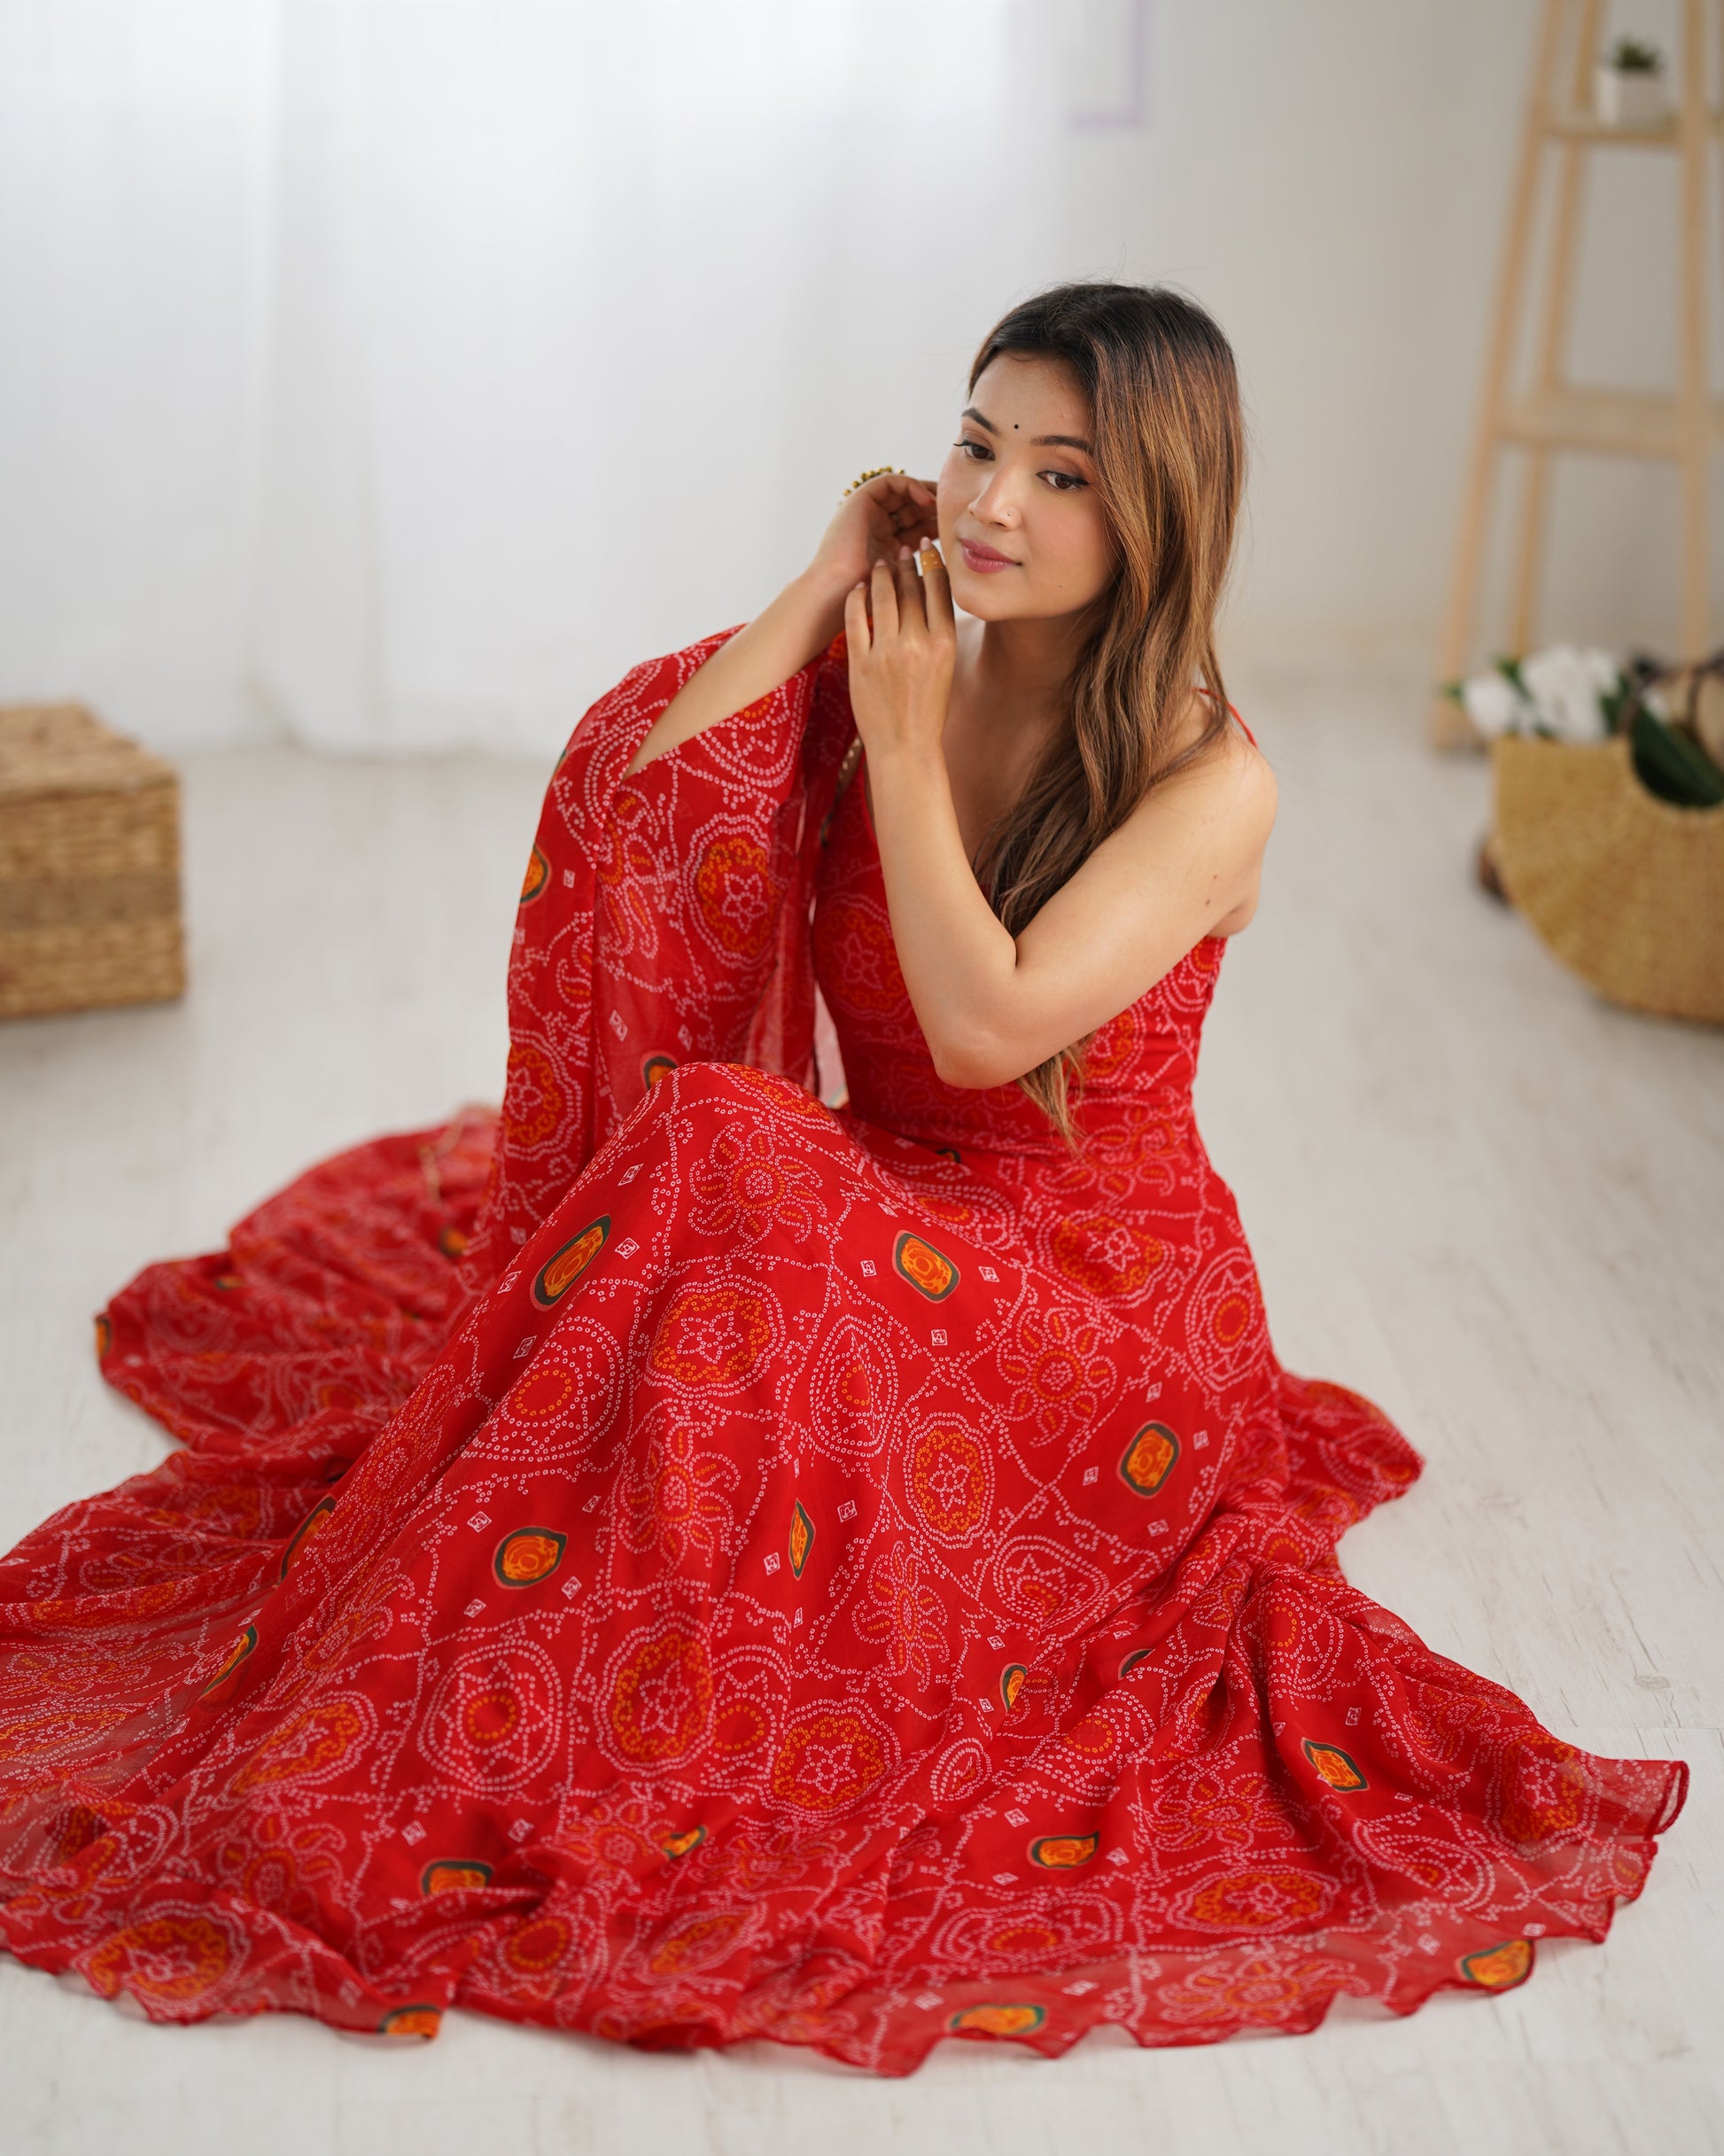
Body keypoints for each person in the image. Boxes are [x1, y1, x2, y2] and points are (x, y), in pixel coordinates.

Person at [0, 283, 1684, 2074]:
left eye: (1062, 474)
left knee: (723, 1146)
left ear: (1156, 514)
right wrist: (818, 589)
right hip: (892, 1206)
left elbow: (982, 1026)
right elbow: (635, 803)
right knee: (703, 1175)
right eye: (977, 443)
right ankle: (565, 1648)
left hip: (1095, 1310)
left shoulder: (1208, 777)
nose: (994, 502)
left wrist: (892, 732)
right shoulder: (899, 655)